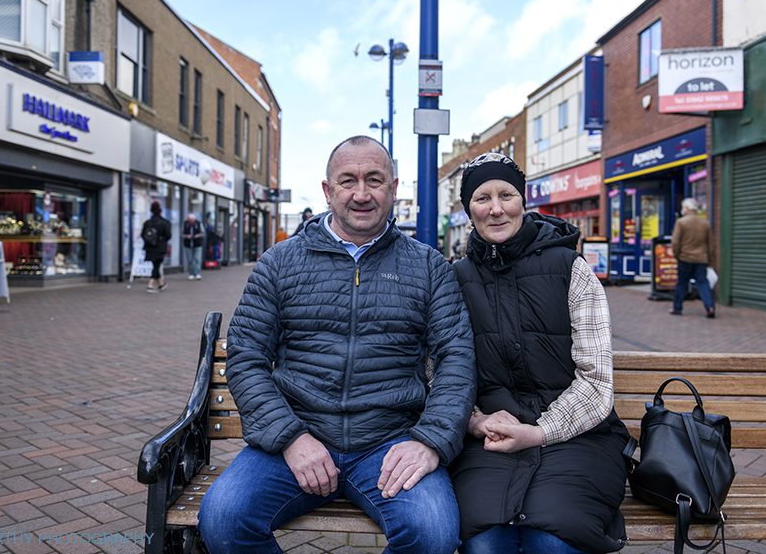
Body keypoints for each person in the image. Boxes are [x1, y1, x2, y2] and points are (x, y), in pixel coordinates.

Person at [198, 135, 477, 553]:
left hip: (390, 441)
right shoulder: (279, 263)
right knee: (223, 518)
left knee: (433, 533)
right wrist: (290, 438)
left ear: (394, 189)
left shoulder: (428, 266)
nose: (361, 194)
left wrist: (429, 441)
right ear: (328, 191)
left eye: (374, 180)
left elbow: (456, 358)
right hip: (297, 437)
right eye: (348, 181)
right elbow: (246, 358)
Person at [450, 152, 631, 554]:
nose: (496, 209)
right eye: (482, 198)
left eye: (506, 195)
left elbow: (597, 383)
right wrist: (476, 422)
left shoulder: (572, 269)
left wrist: (539, 432)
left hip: (579, 438)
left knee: (553, 541)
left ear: (523, 201)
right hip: (489, 442)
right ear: (468, 210)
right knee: (484, 542)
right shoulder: (455, 280)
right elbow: (439, 375)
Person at [670, 197, 716, 318]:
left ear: (687, 208)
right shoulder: (705, 223)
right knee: (703, 283)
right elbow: (710, 244)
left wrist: (676, 254)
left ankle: (677, 308)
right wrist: (710, 259)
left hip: (685, 258)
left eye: (683, 207)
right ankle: (710, 306)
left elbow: (675, 242)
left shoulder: (681, 222)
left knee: (682, 283)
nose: (682, 210)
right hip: (701, 259)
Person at [141, 201, 171, 293]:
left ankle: (161, 284)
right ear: (160, 211)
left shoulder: (147, 223)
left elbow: (143, 235)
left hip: (150, 247)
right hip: (160, 248)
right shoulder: (164, 222)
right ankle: (150, 285)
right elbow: (168, 235)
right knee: (157, 266)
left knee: (155, 265)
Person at [182, 213, 204, 280]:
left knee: (197, 259)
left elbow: (203, 233)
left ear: (194, 219)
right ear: (188, 219)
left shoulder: (199, 223)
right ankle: (191, 274)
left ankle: (197, 273)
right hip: (188, 245)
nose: (191, 221)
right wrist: (186, 236)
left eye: (192, 220)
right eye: (190, 220)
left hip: (197, 244)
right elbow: (181, 233)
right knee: (190, 260)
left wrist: (198, 235)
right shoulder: (185, 224)